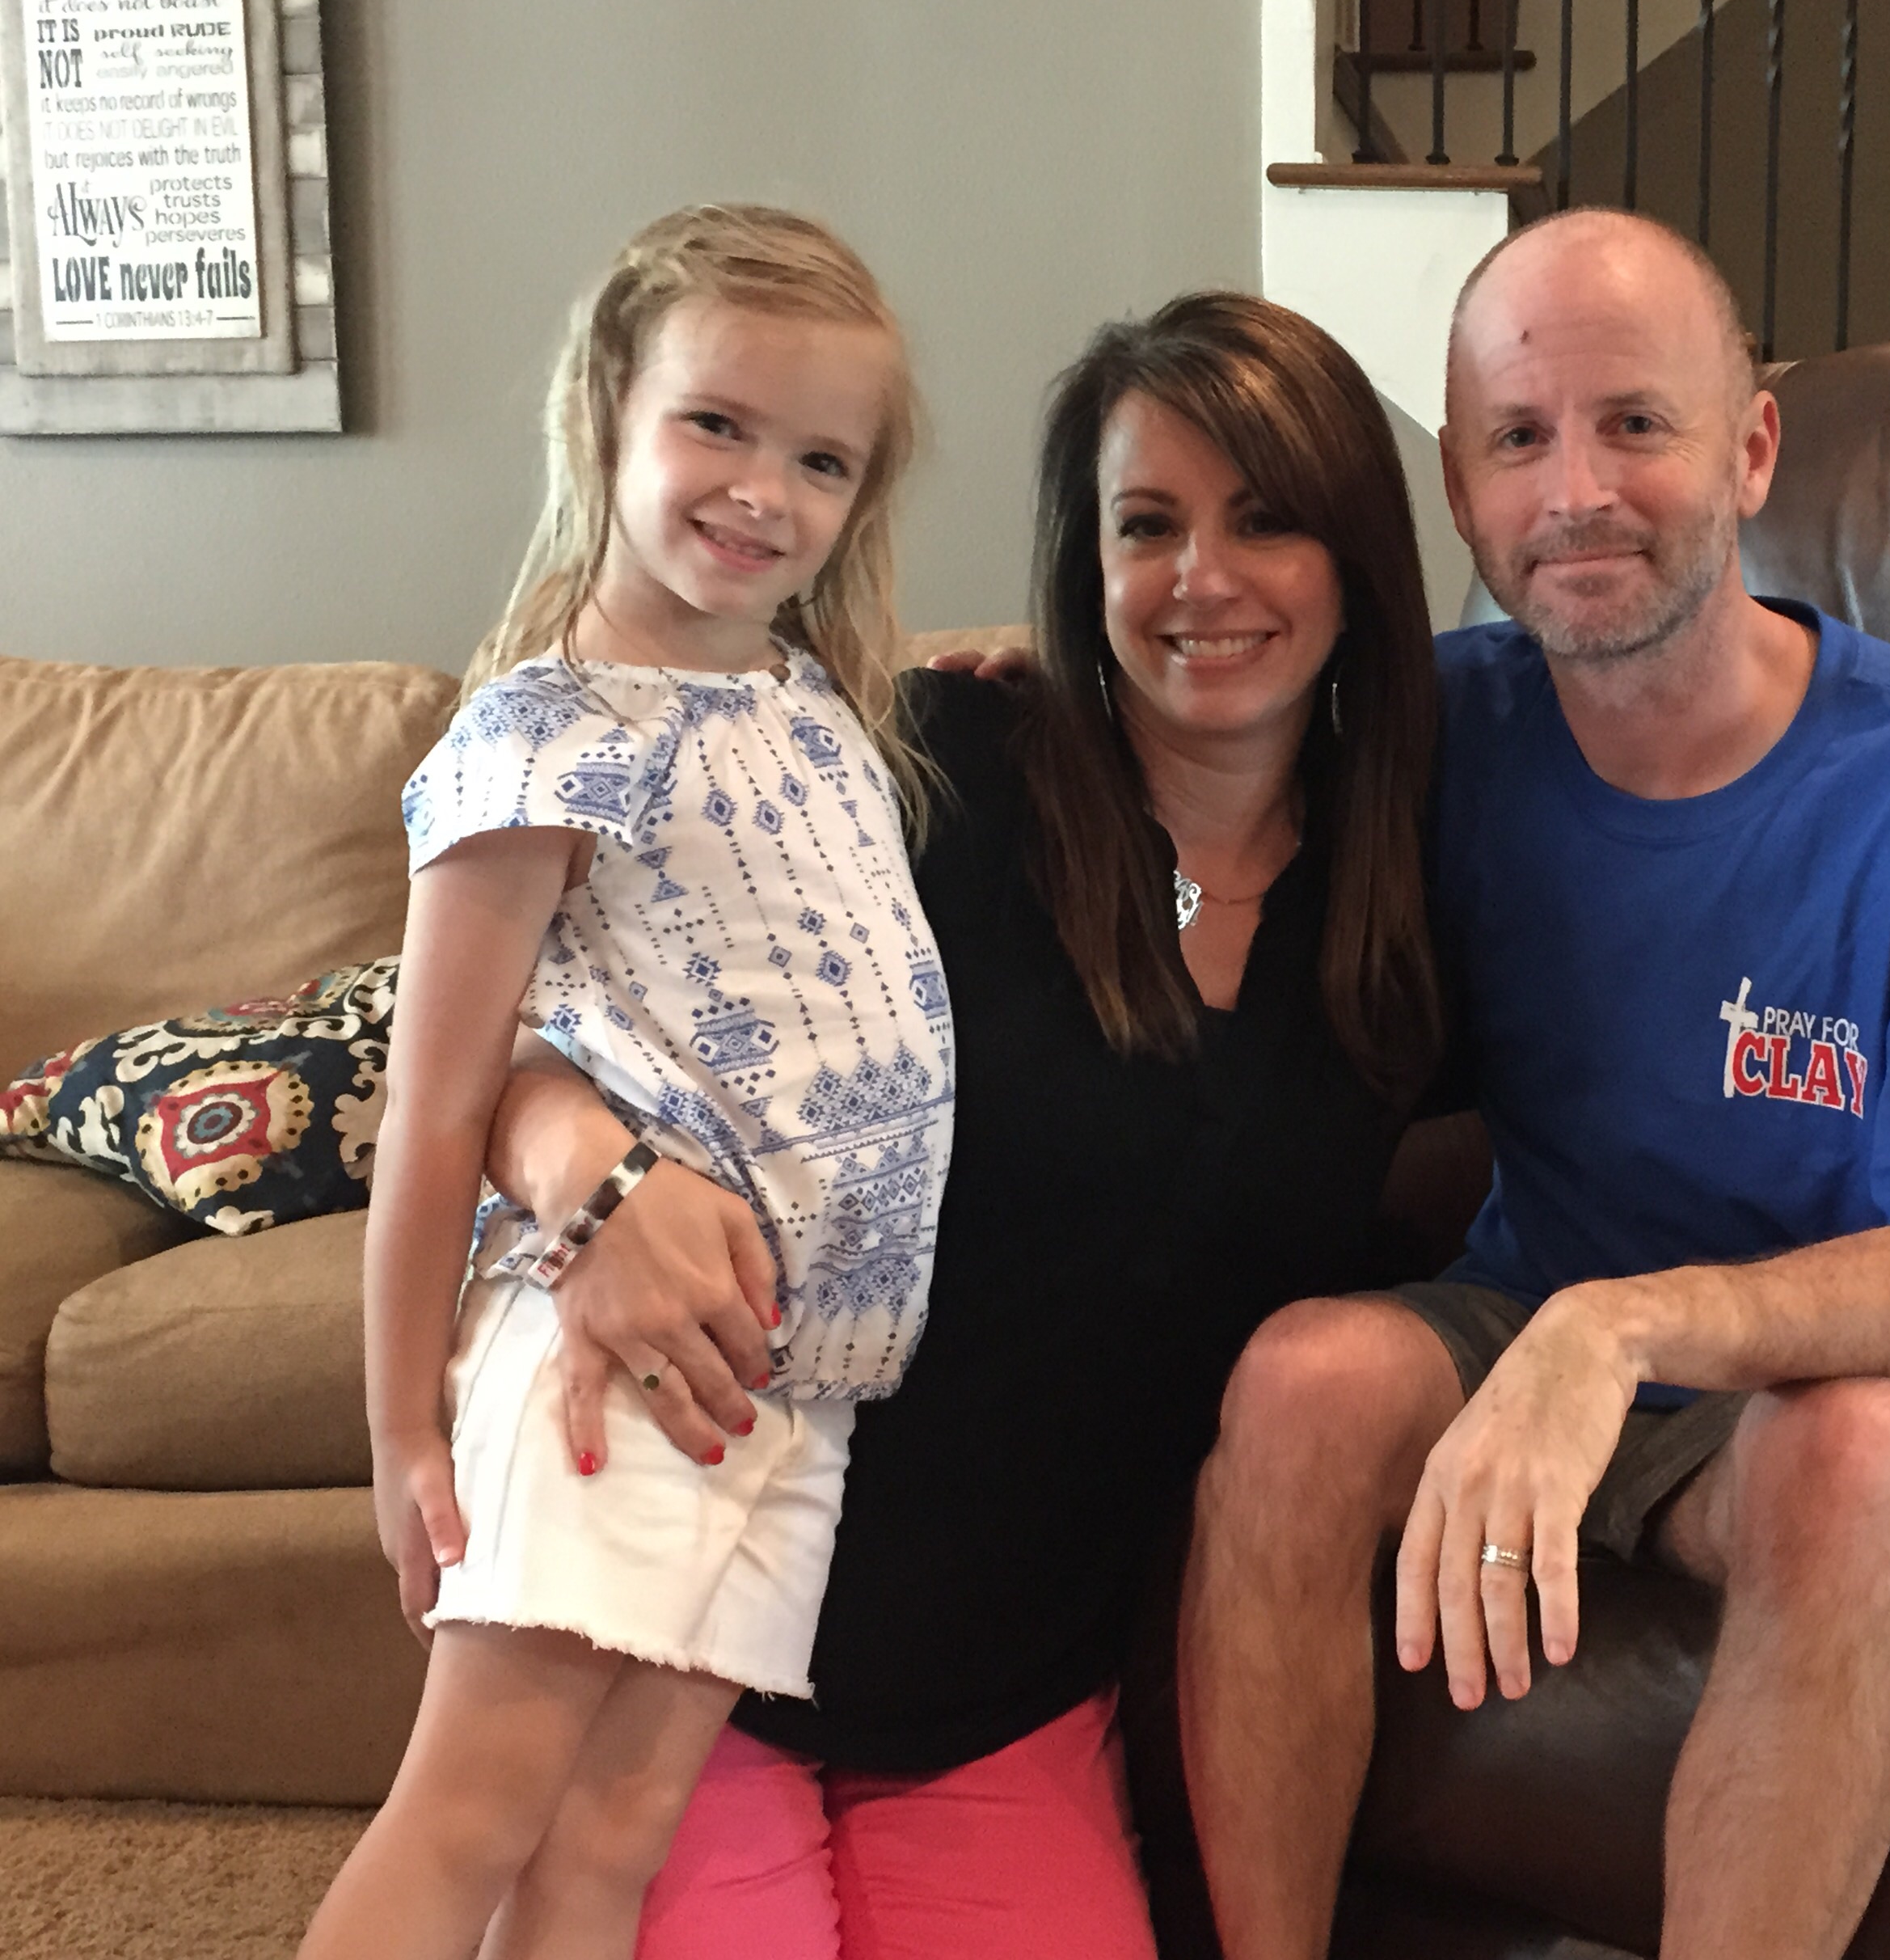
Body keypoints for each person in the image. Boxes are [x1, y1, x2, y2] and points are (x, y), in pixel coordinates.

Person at [1178, 207, 1890, 1960]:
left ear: (1750, 449)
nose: (1575, 495)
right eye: (1517, 439)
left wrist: (1618, 1332)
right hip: (1515, 1311)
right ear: (1460, 489)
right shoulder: (1433, 731)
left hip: (1786, 1390)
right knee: (1301, 1381)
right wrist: (1017, 708)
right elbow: (1187, 748)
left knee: (1865, 1455)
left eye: (1636, 423)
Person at [472, 289, 1445, 1959]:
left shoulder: (1405, 899)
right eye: (1147, 526)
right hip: (690, 1626)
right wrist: (589, 1172)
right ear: (1086, 559)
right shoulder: (925, 773)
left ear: (1357, 555)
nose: (1203, 579)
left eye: (1266, 520)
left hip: (1004, 1699)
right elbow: (504, 1022)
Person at [300, 205, 949, 1960]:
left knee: (610, 1845)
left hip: (791, 1392)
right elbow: (436, 1108)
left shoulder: (816, 702)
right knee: (469, 1819)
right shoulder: (542, 734)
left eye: (820, 460)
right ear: (608, 410)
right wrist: (401, 1435)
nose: (761, 491)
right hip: (610, 1366)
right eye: (715, 424)